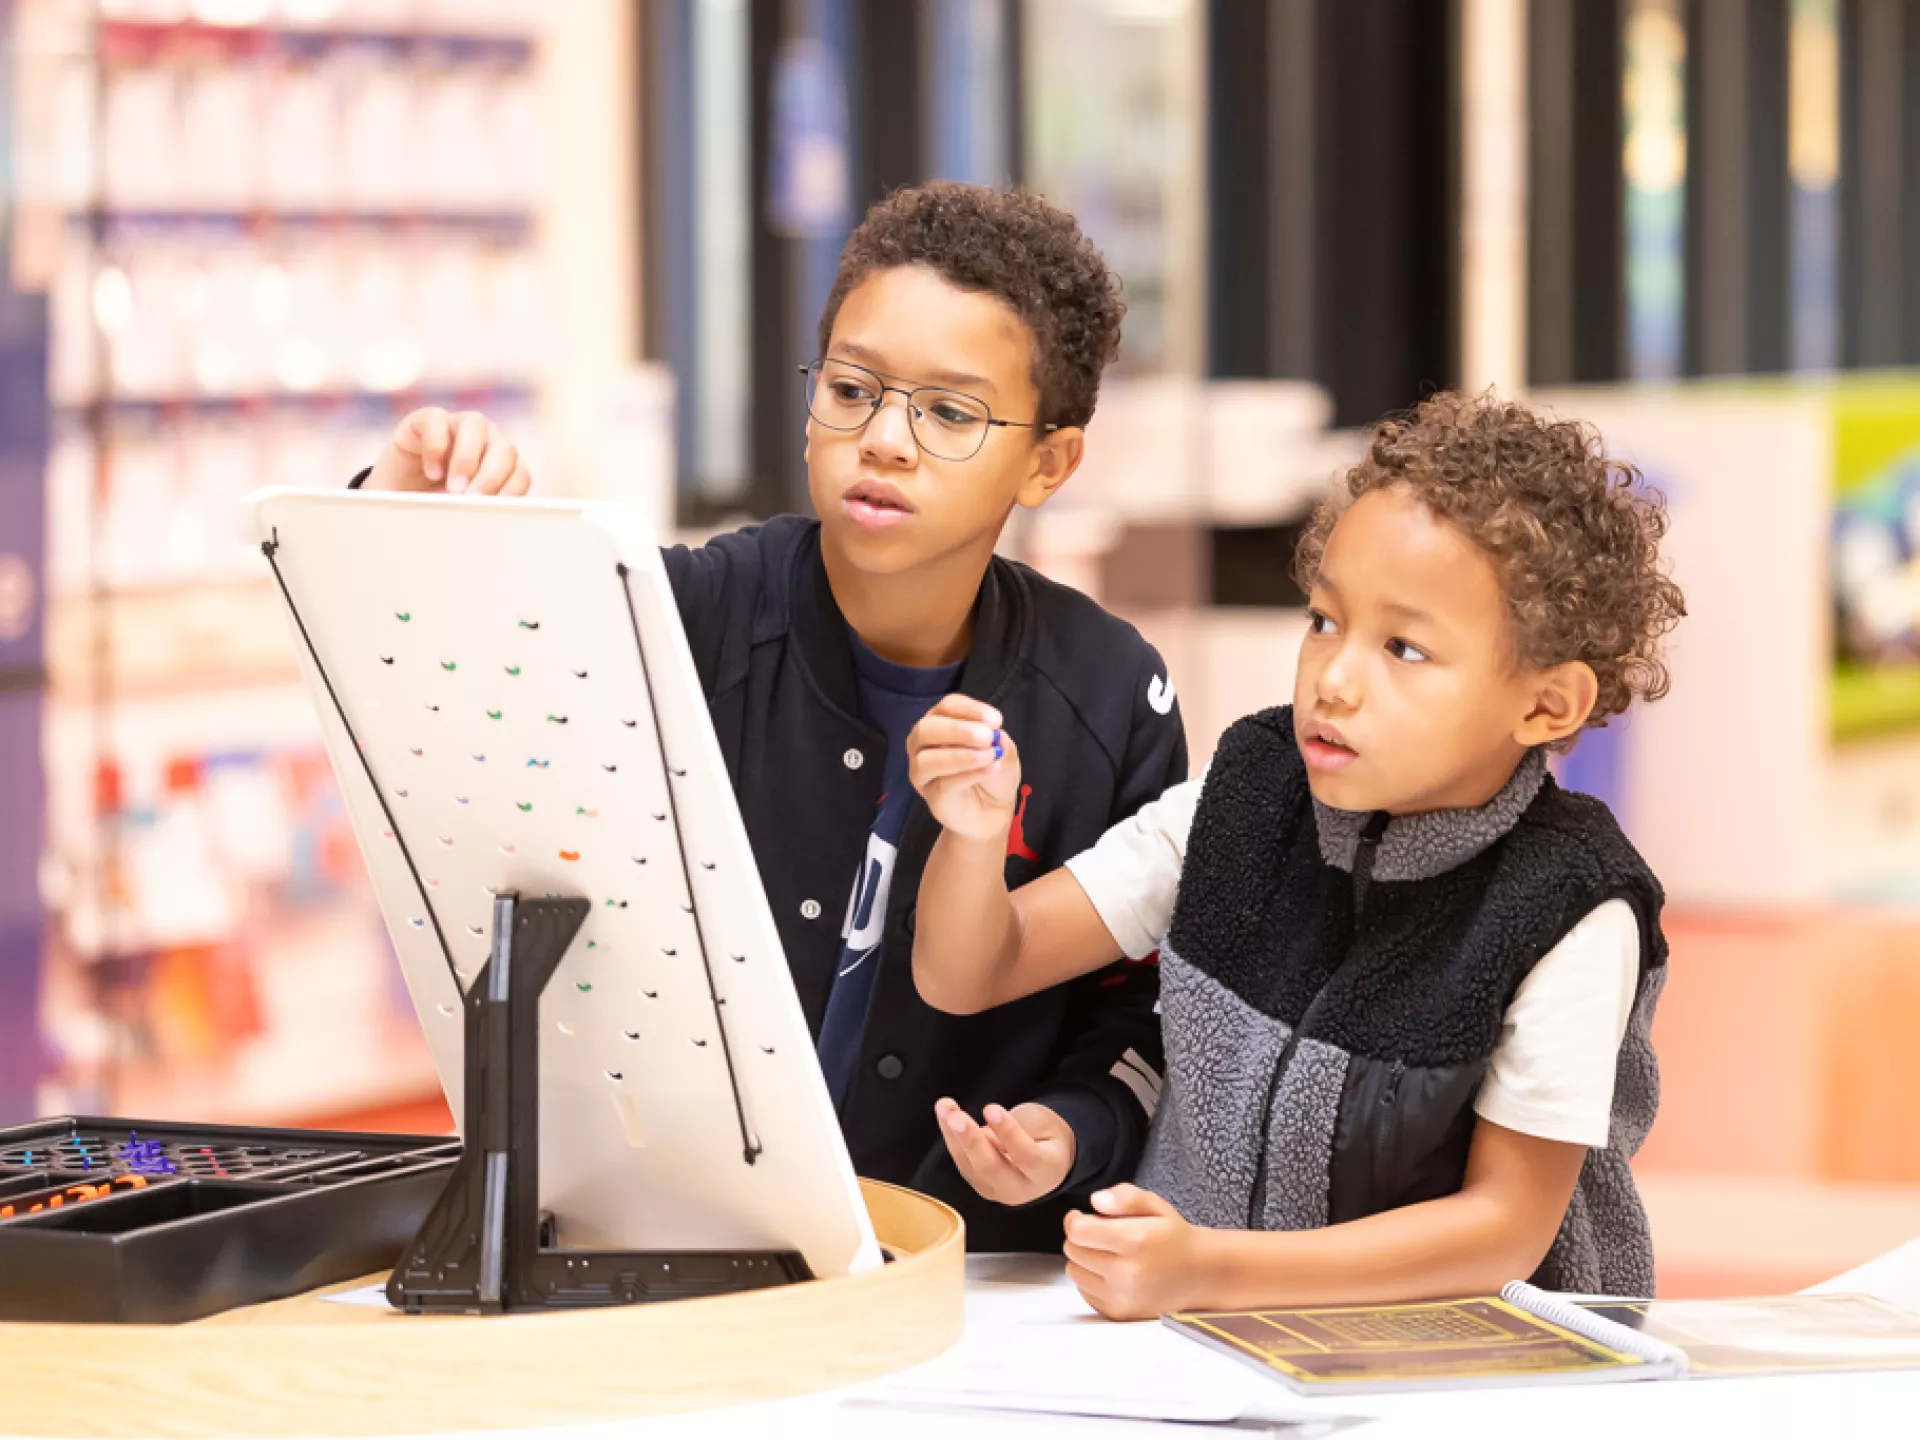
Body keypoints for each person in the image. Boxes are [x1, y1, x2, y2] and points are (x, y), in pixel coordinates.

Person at [353, 182, 1185, 1250]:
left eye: (949, 411)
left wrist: (1069, 1134)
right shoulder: (685, 614)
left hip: (962, 1270)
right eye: (853, 387)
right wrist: (402, 518)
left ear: (1050, 460)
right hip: (676, 1245)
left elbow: (1143, 1017)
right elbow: (449, 705)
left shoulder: (1109, 693)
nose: (885, 439)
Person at [906, 391, 1687, 1314]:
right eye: (1324, 621)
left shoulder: (1573, 904)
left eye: (1404, 647)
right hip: (1208, 1343)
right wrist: (972, 834)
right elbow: (972, 968)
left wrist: (1210, 1270)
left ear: (1547, 706)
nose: (1335, 679)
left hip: (1472, 1368)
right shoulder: (1244, 793)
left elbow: (1503, 1230)